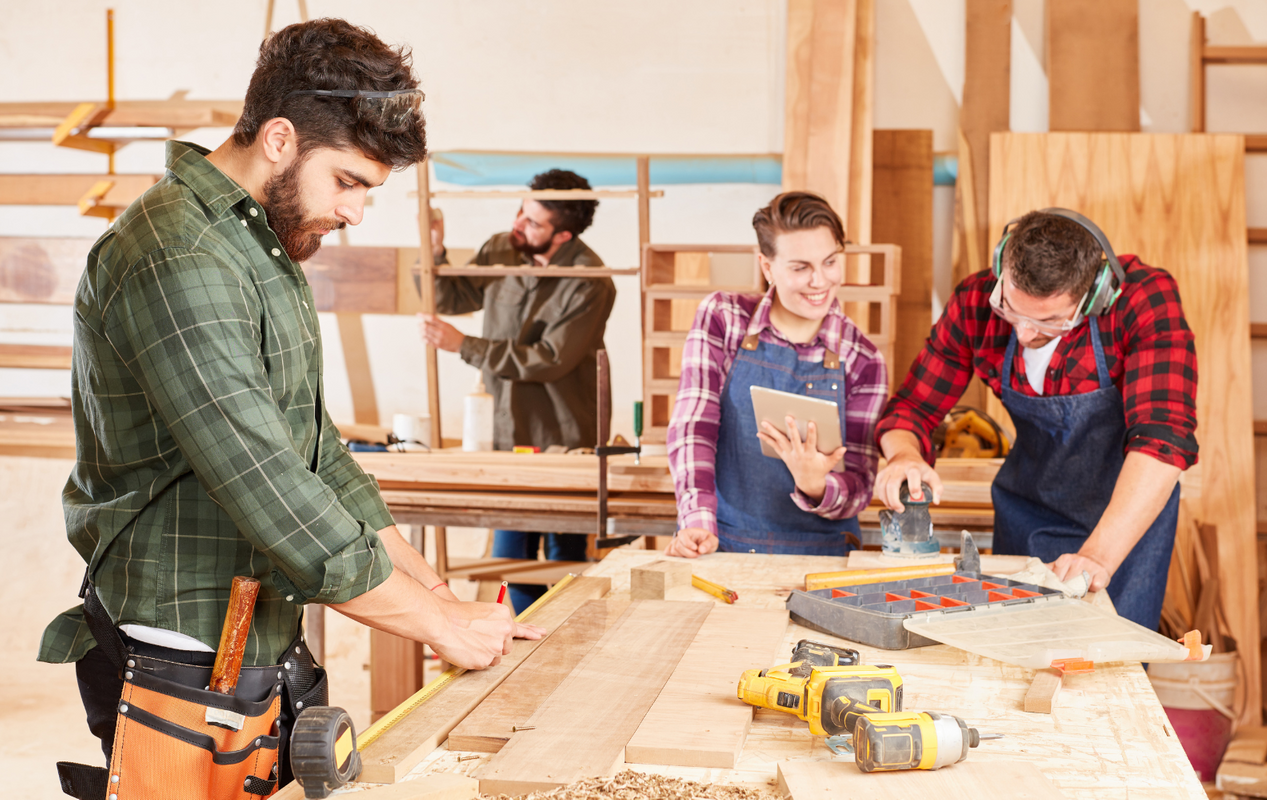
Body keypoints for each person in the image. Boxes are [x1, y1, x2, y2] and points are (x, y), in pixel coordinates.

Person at [39, 19, 542, 778]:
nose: (355, 212)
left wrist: (432, 588)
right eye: (348, 183)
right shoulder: (178, 253)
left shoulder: (257, 246)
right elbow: (268, 484)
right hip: (182, 640)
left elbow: (314, 450)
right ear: (279, 139)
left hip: (254, 630)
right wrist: (437, 624)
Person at [874, 208, 1196, 630]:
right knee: (1015, 651)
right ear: (1001, 270)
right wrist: (902, 455)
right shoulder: (976, 300)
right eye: (1011, 310)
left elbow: (1163, 440)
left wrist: (1098, 556)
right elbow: (911, 409)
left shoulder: (1140, 300)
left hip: (1123, 526)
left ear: (1093, 294)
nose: (1023, 334)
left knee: (1108, 670)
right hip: (1026, 515)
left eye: (1047, 322)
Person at [420, 169, 615, 612]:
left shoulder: (592, 281)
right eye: (521, 212)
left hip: (562, 434)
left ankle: (566, 650)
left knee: (567, 560)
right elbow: (453, 298)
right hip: (505, 430)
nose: (518, 225)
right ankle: (527, 649)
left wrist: (463, 345)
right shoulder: (503, 247)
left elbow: (549, 359)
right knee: (512, 559)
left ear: (563, 234)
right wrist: (434, 252)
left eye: (533, 222)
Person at [665, 191, 887, 557]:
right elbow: (694, 426)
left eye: (830, 262)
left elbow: (862, 484)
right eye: (800, 268)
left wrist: (817, 485)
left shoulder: (863, 359)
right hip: (724, 544)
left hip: (824, 558)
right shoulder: (724, 318)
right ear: (767, 267)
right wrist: (696, 517)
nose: (819, 281)